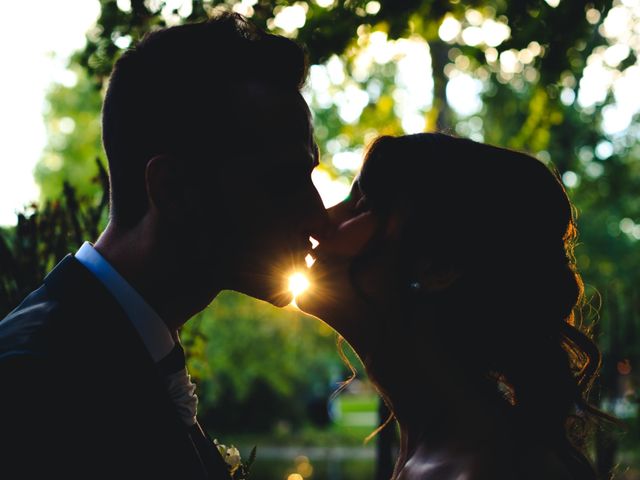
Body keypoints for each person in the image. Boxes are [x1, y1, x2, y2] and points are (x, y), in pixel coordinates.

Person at [0, 13, 327, 479]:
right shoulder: (33, 385)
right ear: (173, 190)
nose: (318, 217)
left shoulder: (115, 348)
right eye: (284, 182)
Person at [297, 133, 611, 480]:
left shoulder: (490, 470)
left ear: (438, 267)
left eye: (364, 204)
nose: (321, 220)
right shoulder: (445, 453)